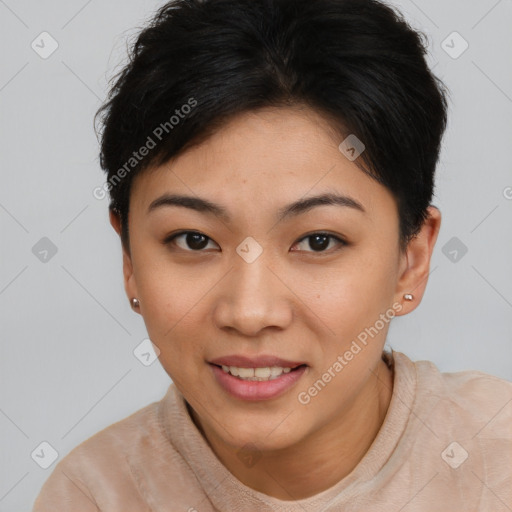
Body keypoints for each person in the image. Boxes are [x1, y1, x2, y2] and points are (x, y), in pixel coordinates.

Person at [32, 0, 512, 510]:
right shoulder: (94, 495)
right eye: (194, 240)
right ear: (129, 259)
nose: (250, 312)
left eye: (318, 241)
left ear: (411, 259)